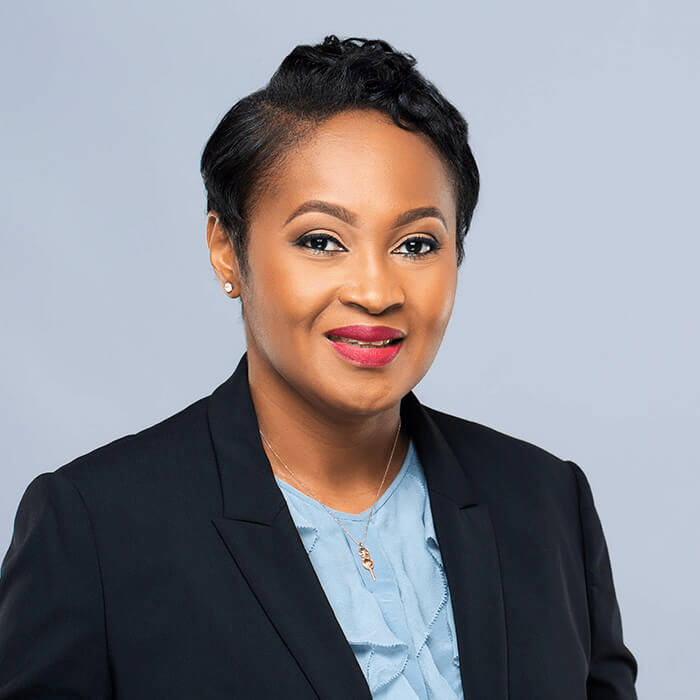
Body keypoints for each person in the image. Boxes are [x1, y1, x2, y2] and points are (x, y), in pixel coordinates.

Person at [0, 36, 637, 699]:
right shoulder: (96, 530)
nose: (376, 291)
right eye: (321, 241)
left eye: (417, 244)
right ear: (226, 250)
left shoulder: (546, 503)